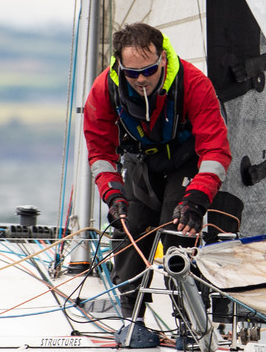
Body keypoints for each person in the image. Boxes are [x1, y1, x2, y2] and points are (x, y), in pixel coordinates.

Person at [83, 22, 231, 316]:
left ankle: (189, 318)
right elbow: (100, 152)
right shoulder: (104, 89)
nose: (141, 79)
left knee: (178, 229)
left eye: (149, 70)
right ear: (119, 65)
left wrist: (197, 198)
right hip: (141, 164)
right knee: (129, 227)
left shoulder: (193, 83)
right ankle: (131, 317)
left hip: (185, 162)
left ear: (162, 58)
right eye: (132, 73)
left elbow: (216, 149)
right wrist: (112, 195)